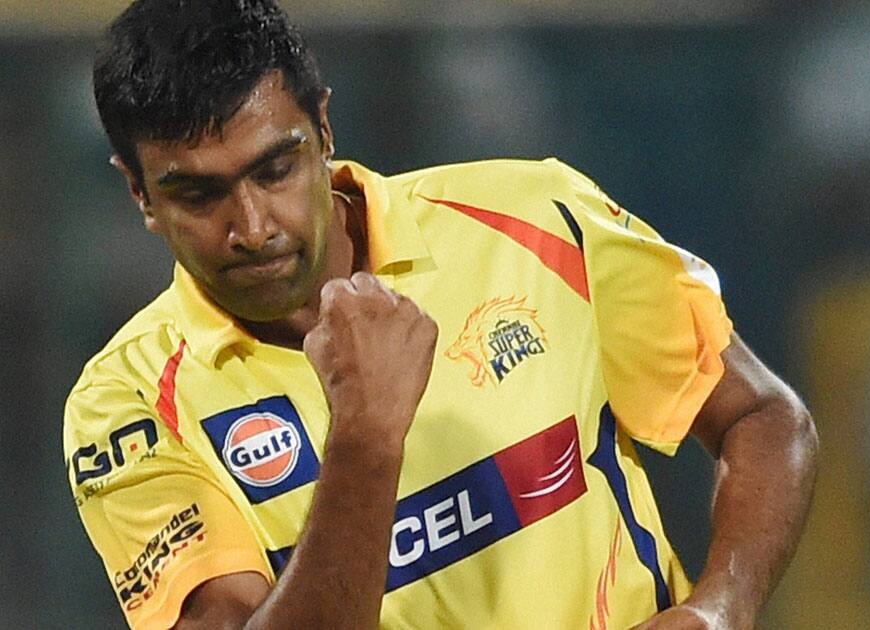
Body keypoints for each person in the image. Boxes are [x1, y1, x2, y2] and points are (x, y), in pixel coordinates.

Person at [64, 1, 818, 628]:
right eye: (199, 195)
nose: (253, 225)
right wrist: (365, 436)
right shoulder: (125, 407)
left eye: (276, 168)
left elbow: (760, 417)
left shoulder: (533, 217)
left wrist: (722, 605)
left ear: (324, 130)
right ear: (138, 192)